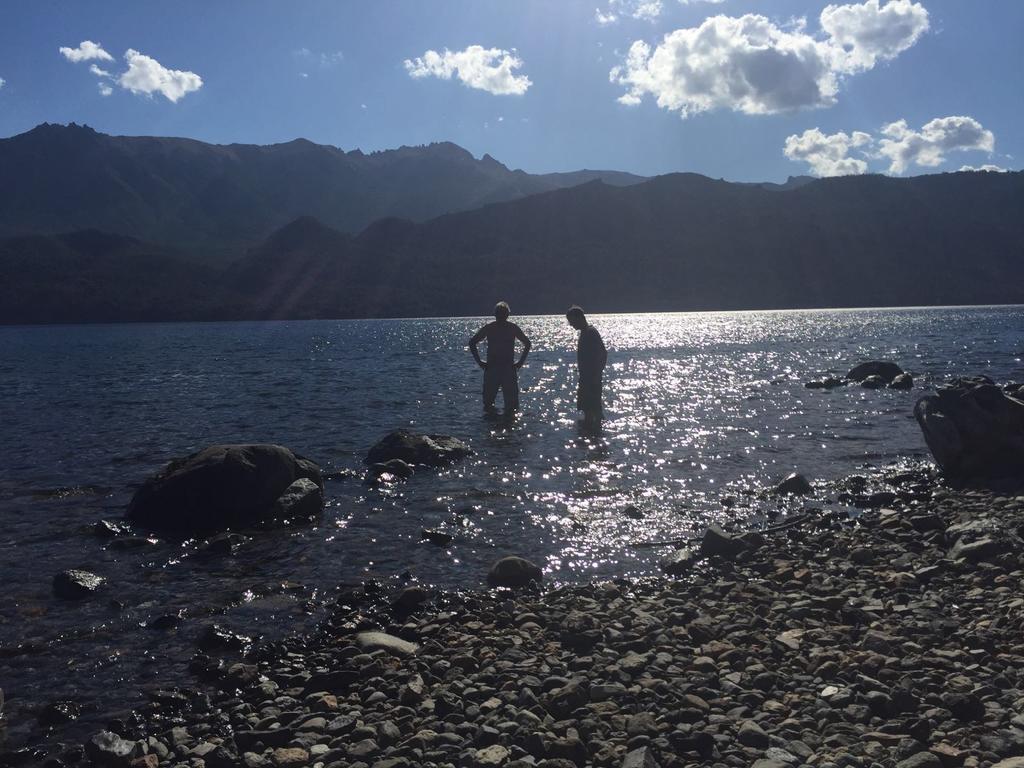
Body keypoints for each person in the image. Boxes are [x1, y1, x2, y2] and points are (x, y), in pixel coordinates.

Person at [469, 301, 532, 413]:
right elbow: (472, 342)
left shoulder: (511, 328)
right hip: (494, 369)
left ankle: (504, 425)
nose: (501, 316)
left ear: (507, 315)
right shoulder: (491, 328)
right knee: (490, 404)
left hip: (506, 369)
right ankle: (499, 424)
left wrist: (520, 363)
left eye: (503, 314)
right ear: (495, 315)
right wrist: (479, 362)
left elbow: (527, 343)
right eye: (499, 314)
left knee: (510, 405)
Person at [566, 305, 607, 427]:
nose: (571, 325)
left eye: (572, 321)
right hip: (586, 378)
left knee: (593, 410)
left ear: (579, 318)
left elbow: (603, 353)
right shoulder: (585, 332)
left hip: (591, 380)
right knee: (587, 409)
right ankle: (591, 433)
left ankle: (593, 434)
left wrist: (597, 374)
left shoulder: (591, 333)